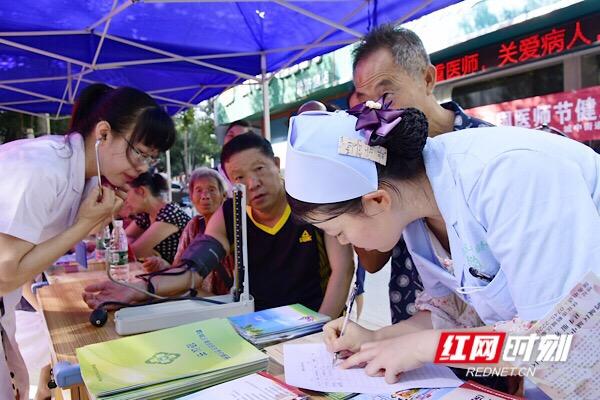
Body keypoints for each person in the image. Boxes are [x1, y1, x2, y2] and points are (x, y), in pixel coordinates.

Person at [284, 105, 600, 385]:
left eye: (338, 230)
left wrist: (425, 346)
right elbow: (455, 312)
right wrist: (377, 338)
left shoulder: (509, 176)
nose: (343, 241)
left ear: (377, 200)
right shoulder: (416, 210)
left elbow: (556, 345)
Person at [0, 83, 176, 399]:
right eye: (139, 153)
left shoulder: (83, 178)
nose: (142, 168)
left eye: (150, 158)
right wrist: (85, 224)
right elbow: (5, 273)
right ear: (104, 133)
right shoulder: (41, 167)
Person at [83, 133, 354, 317]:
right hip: (256, 326)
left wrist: (319, 328)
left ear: (276, 164)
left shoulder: (312, 200)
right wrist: (139, 290)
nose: (252, 183)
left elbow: (343, 271)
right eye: (239, 177)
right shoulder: (230, 212)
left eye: (259, 169)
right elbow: (192, 270)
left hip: (313, 320)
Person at [351, 24, 492, 324]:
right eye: (364, 100)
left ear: (427, 78)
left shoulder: (486, 152)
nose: (376, 112)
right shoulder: (380, 158)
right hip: (411, 320)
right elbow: (373, 261)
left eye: (386, 93)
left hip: (494, 338)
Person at [144, 167, 234, 295]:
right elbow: (180, 269)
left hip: (227, 301)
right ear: (191, 197)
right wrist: (163, 266)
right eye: (199, 190)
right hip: (197, 296)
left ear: (223, 195)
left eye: (211, 190)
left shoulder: (233, 225)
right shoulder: (193, 226)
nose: (205, 196)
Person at [125, 172, 190, 264]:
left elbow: (134, 253)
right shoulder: (146, 215)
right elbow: (123, 238)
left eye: (126, 193)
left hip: (179, 275)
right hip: (163, 274)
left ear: (141, 191)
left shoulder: (170, 215)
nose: (125, 200)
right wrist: (150, 252)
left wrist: (140, 250)